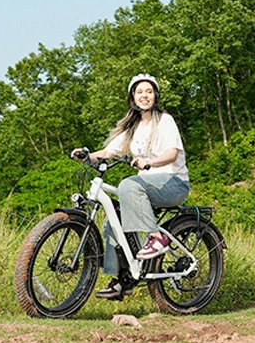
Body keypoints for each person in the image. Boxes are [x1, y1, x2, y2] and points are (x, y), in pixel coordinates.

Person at [70, 74, 191, 299]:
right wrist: (86, 156)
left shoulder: (165, 120)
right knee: (111, 221)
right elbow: (107, 153)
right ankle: (122, 279)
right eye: (139, 92)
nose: (144, 96)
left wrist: (149, 163)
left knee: (128, 185)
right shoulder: (132, 128)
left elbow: (172, 153)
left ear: (155, 95)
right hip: (148, 185)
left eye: (148, 91)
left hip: (173, 182)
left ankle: (157, 238)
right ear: (132, 98)